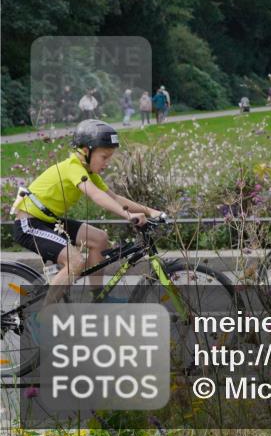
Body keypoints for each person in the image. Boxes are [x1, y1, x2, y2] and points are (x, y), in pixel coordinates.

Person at [10, 120, 164, 303]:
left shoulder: (88, 172)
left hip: (49, 222)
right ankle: (44, 315)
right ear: (85, 151)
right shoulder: (73, 167)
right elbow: (96, 195)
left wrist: (151, 211)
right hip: (29, 223)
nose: (107, 163)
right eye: (104, 157)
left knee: (100, 239)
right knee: (75, 262)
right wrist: (128, 216)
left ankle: (98, 297)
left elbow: (114, 198)